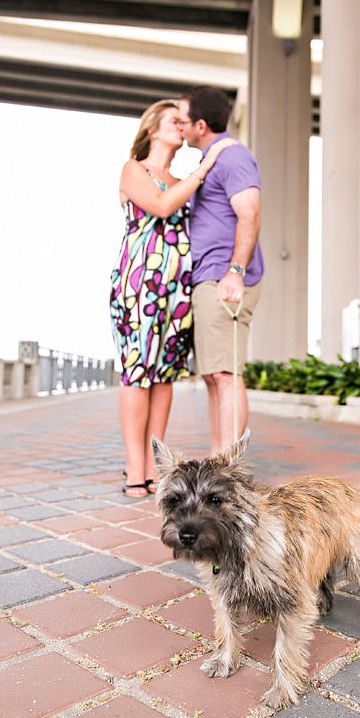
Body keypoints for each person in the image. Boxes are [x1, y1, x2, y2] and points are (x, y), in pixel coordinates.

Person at [110, 99, 235, 497]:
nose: (183, 127)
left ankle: (154, 466)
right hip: (139, 283)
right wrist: (205, 165)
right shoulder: (135, 169)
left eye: (185, 122)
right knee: (137, 373)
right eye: (174, 121)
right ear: (153, 128)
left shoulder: (180, 176)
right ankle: (134, 468)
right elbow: (162, 206)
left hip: (176, 288)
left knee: (164, 376)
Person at [179, 86, 264, 454]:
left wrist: (235, 271)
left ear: (200, 124)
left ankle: (228, 470)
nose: (180, 128)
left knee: (226, 375)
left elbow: (251, 212)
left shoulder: (233, 158)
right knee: (215, 375)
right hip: (210, 275)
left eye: (183, 121)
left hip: (223, 277)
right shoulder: (214, 159)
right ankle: (219, 461)